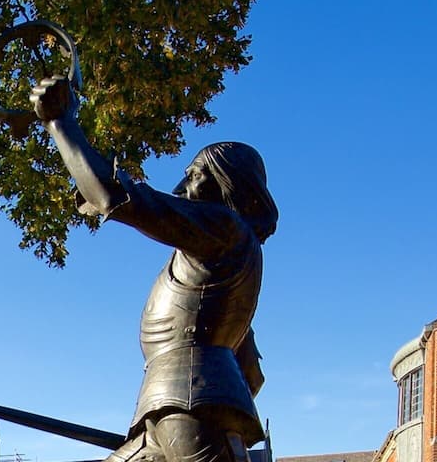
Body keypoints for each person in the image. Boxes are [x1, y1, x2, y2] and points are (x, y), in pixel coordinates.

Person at [30, 77, 276, 462]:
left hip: (186, 403)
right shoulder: (227, 258)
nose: (180, 186)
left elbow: (117, 197)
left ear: (229, 185)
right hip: (173, 406)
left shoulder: (225, 229)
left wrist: (60, 123)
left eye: (195, 175)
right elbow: (250, 373)